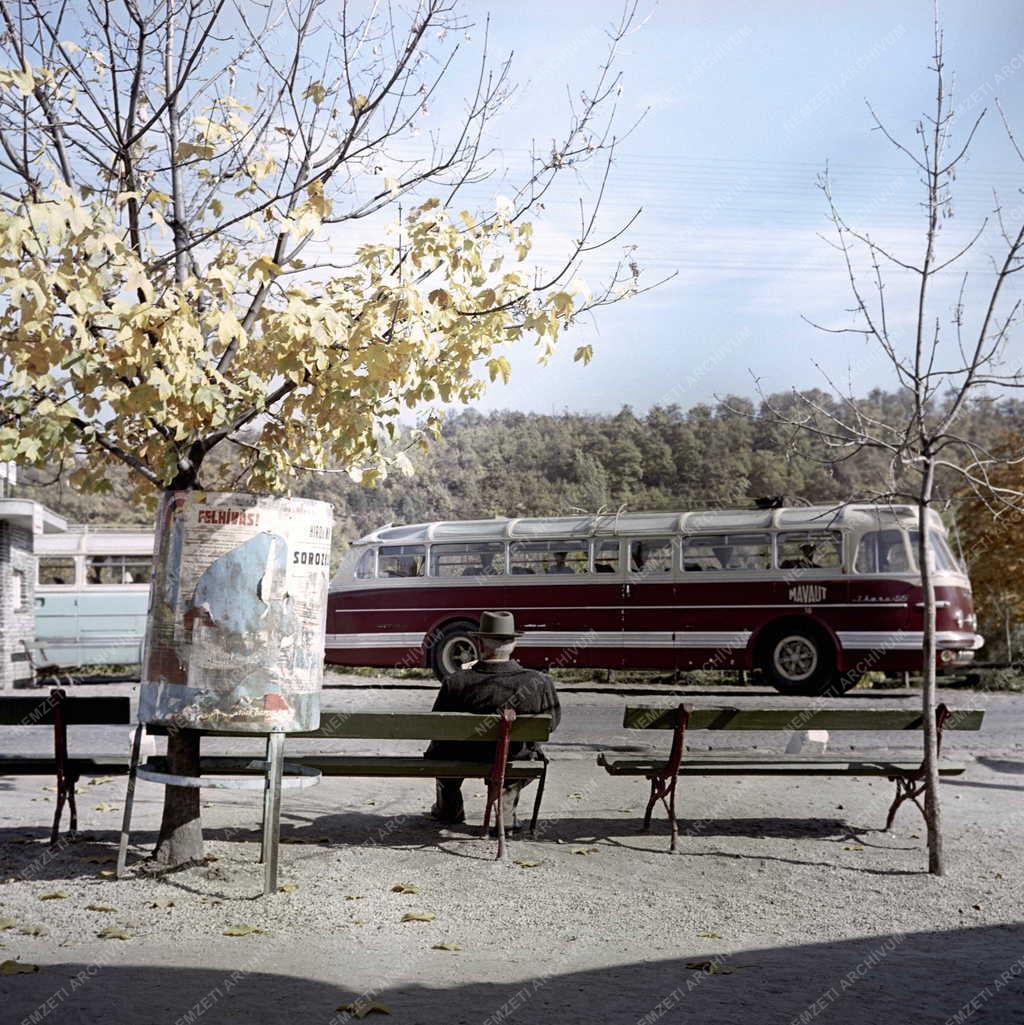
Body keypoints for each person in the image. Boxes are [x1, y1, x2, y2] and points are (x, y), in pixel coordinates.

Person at [425, 610, 561, 833]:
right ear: (514, 643)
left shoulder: (456, 681)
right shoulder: (538, 681)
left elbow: (438, 726)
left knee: (442, 747)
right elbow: (552, 723)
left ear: (480, 643)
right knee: (522, 750)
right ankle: (506, 800)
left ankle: (449, 806)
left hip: (460, 758)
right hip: (514, 758)